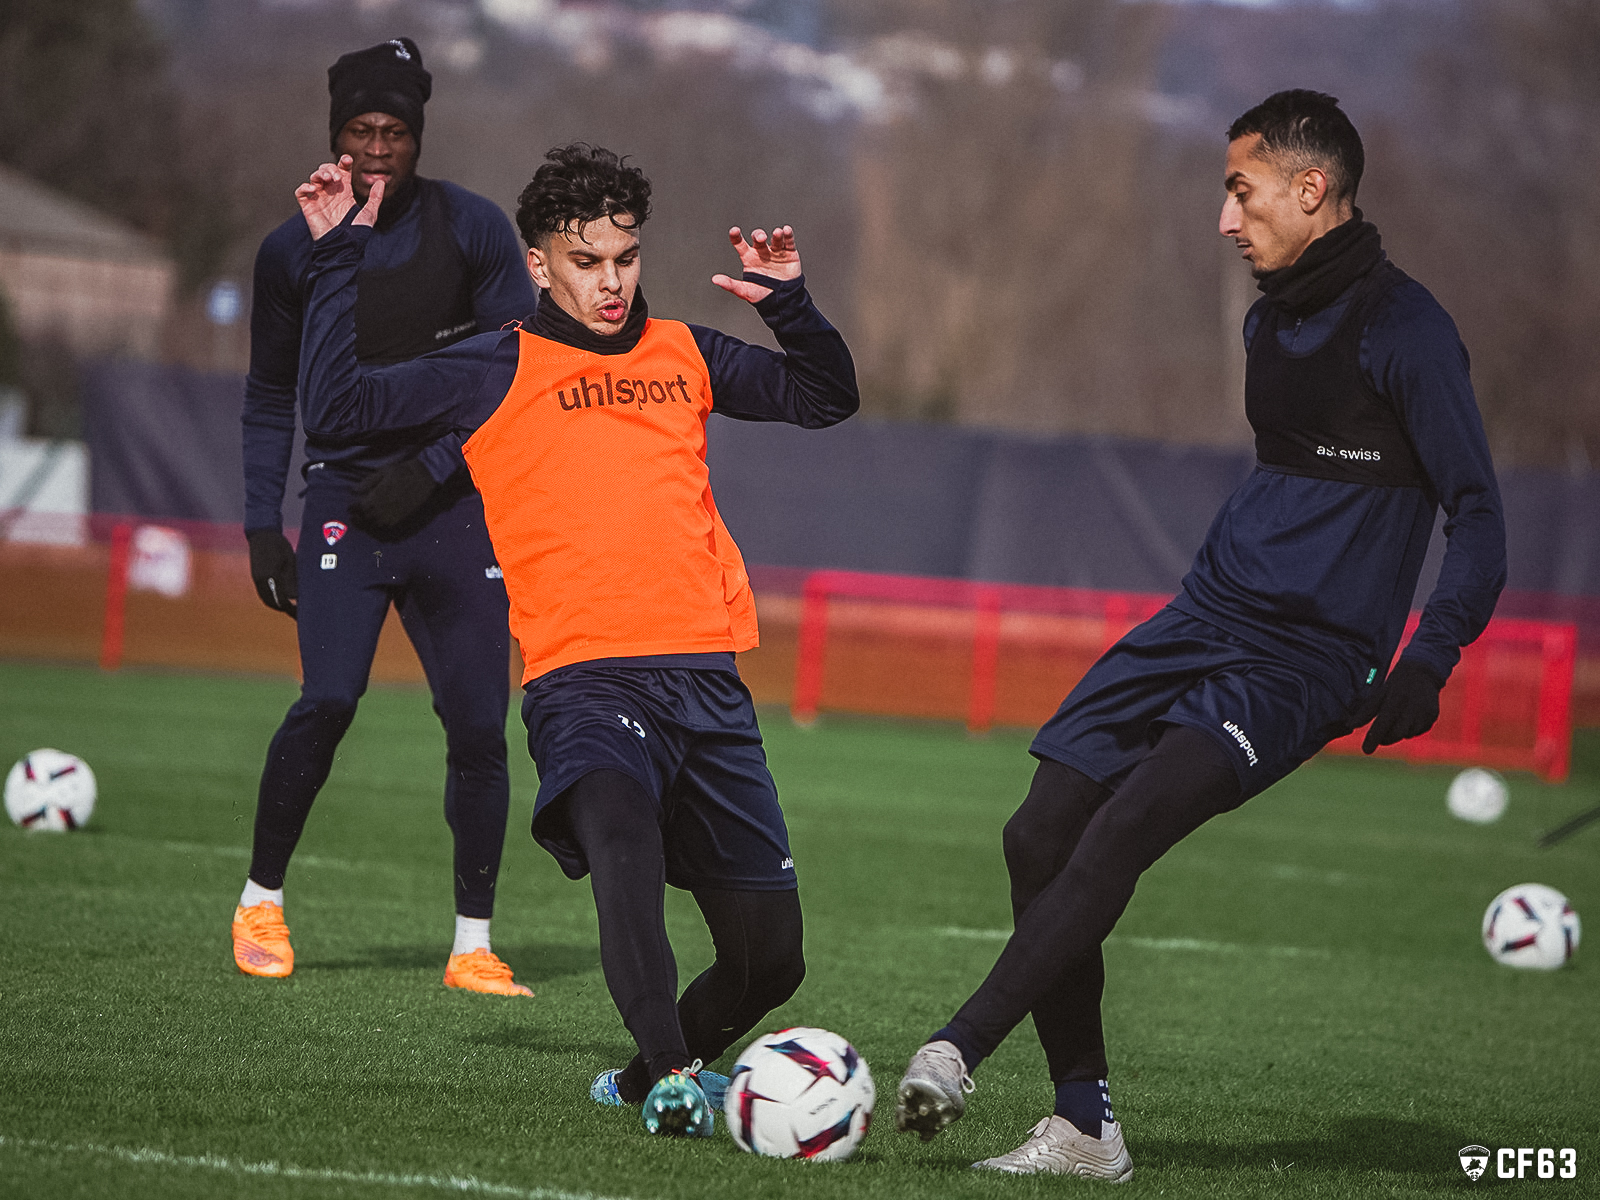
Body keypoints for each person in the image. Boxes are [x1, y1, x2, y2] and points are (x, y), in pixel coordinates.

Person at [892, 89, 1507, 1180]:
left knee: (1125, 826)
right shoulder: (1268, 316)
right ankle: (1085, 1128)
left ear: (1310, 189)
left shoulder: (1408, 329)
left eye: (1241, 190)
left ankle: (959, 1045)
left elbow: (1480, 517)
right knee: (1035, 835)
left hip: (1306, 658)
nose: (1226, 220)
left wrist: (1427, 654)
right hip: (1205, 613)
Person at [290, 142, 859, 1136]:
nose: (610, 281)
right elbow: (339, 408)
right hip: (584, 685)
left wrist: (787, 304)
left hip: (706, 682)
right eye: (586, 260)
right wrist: (337, 255)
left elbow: (826, 398)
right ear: (540, 262)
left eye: (625, 257)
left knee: (772, 961)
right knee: (623, 847)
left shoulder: (685, 353)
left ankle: (639, 1080)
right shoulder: (493, 365)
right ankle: (678, 1073)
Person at [233, 37, 538, 997]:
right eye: (361, 130)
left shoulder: (474, 230)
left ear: (417, 138)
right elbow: (269, 397)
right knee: (327, 699)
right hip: (343, 506)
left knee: (481, 727)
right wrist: (257, 524)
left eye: (394, 131)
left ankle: (472, 945)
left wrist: (435, 466)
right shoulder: (293, 249)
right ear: (336, 135)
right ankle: (260, 901)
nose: (376, 148)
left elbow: (517, 375)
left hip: (454, 505)